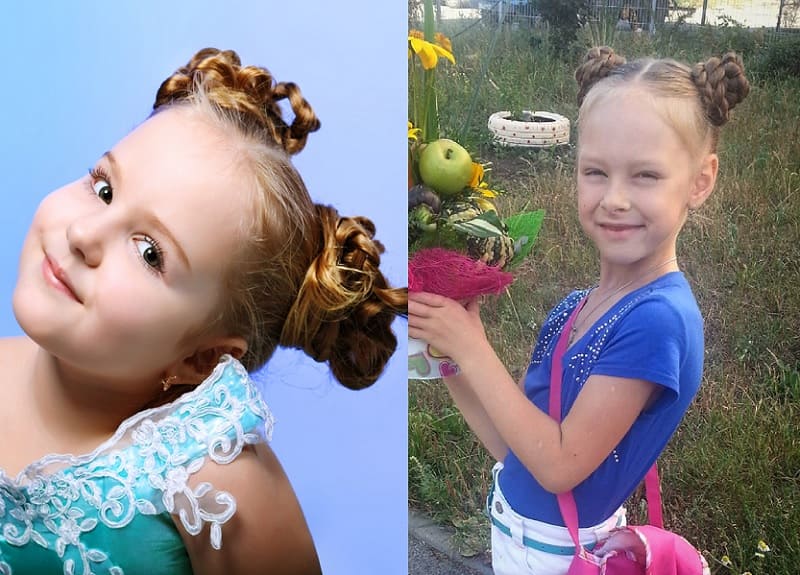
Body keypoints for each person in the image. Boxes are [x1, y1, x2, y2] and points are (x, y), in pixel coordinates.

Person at [0, 47, 407, 574]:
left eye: (150, 253)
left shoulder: (213, 487)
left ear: (202, 359)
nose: (82, 234)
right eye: (103, 189)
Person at [408, 46, 749, 574]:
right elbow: (514, 445)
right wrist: (450, 353)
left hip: (562, 555)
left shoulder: (658, 320)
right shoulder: (574, 308)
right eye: (595, 171)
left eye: (645, 176)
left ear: (700, 181)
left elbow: (559, 465)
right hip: (518, 537)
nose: (614, 198)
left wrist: (473, 349)